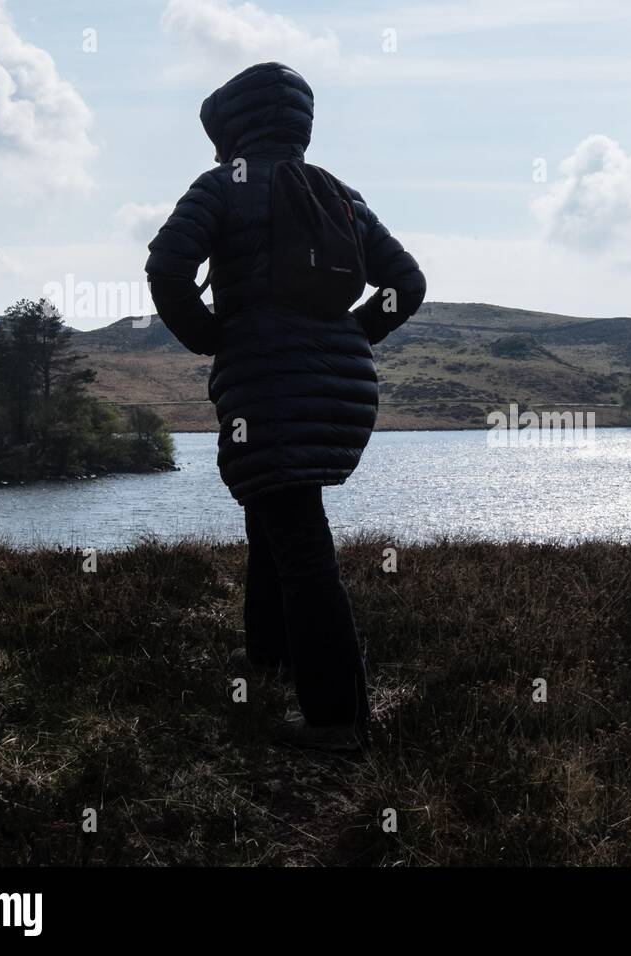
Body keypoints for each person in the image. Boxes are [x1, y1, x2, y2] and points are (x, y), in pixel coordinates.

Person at [144, 62, 426, 753]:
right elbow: (407, 283)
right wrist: (350, 337)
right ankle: (267, 660)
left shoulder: (221, 187)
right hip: (339, 384)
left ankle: (338, 721)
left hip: (267, 382)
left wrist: (210, 337)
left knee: (299, 544)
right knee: (275, 517)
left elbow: (166, 268)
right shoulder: (340, 194)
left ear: (232, 126)